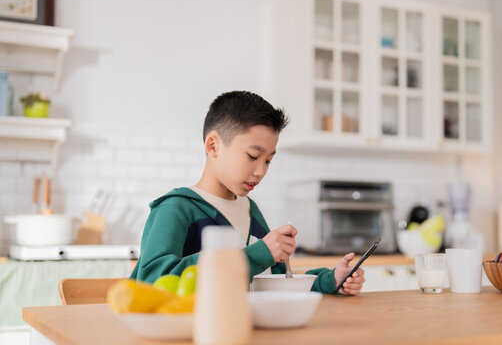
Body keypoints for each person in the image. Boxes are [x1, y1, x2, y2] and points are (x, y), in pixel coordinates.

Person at [130, 91, 365, 295]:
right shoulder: (176, 209)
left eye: (268, 161)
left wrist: (330, 280)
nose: (260, 171)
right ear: (213, 146)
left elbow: (274, 282)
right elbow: (152, 282)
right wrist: (255, 255)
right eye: (253, 156)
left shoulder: (251, 210)